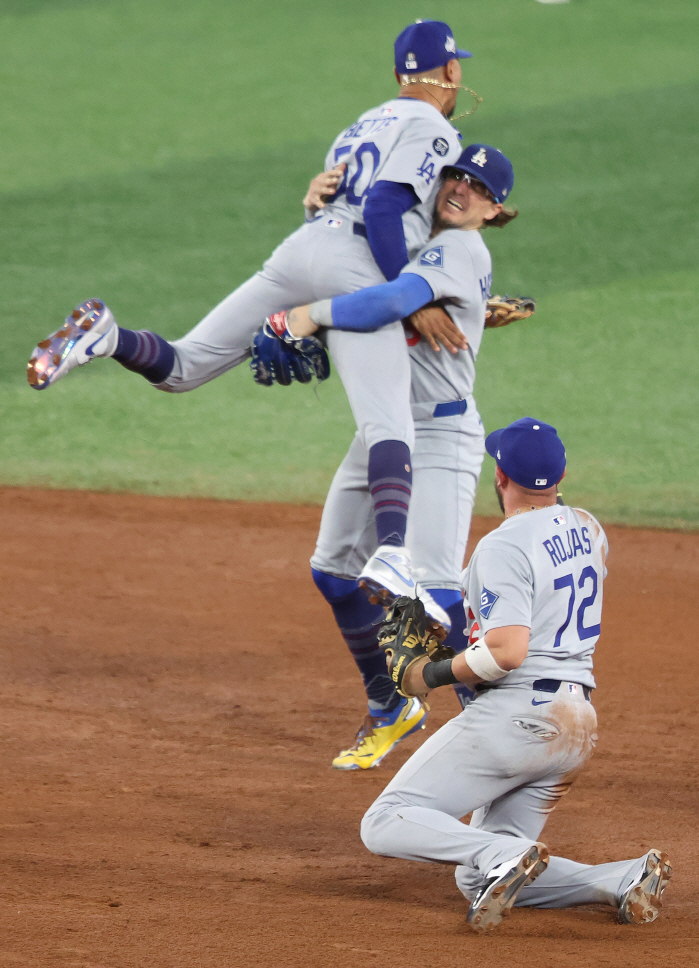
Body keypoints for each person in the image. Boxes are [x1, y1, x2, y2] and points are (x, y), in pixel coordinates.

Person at [26, 19, 475, 633]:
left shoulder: (360, 124)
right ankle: (394, 553)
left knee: (183, 366)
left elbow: (329, 196)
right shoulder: (435, 129)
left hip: (301, 248)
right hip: (359, 261)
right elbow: (384, 205)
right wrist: (407, 296)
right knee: (389, 422)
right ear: (450, 72)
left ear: (399, 73)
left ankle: (107, 336)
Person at [357, 417, 672, 930]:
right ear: (563, 472)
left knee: (385, 821)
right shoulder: (590, 528)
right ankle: (620, 879)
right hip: (577, 726)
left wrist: (428, 676)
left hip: (520, 717)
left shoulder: (502, 545)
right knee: (475, 876)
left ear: (499, 477)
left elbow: (506, 652)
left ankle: (498, 855)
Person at [259, 146, 518, 769]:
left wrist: (304, 317)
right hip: (388, 428)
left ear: (496, 207)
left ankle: (500, 728)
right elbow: (358, 258)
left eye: (477, 186)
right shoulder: (418, 235)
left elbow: (379, 302)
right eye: (455, 175)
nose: (460, 188)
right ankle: (390, 703)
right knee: (332, 571)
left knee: (436, 594)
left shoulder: (460, 248)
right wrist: (319, 202)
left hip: (441, 437)